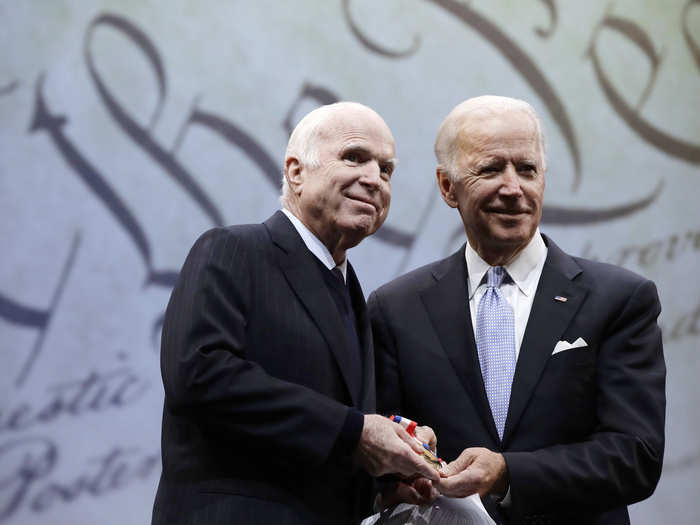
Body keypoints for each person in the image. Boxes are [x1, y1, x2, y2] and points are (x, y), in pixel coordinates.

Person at [368, 96, 665, 524]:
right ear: (448, 187)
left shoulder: (620, 299)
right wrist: (395, 481)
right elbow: (377, 461)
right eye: (490, 169)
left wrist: (508, 474)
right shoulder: (395, 308)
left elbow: (636, 456)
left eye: (527, 169)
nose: (513, 188)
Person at [151, 102, 439, 525]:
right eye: (354, 157)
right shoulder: (233, 250)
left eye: (386, 170)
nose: (374, 179)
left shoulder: (353, 293)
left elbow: (323, 433)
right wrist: (356, 432)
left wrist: (387, 474)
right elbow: (198, 374)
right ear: (296, 171)